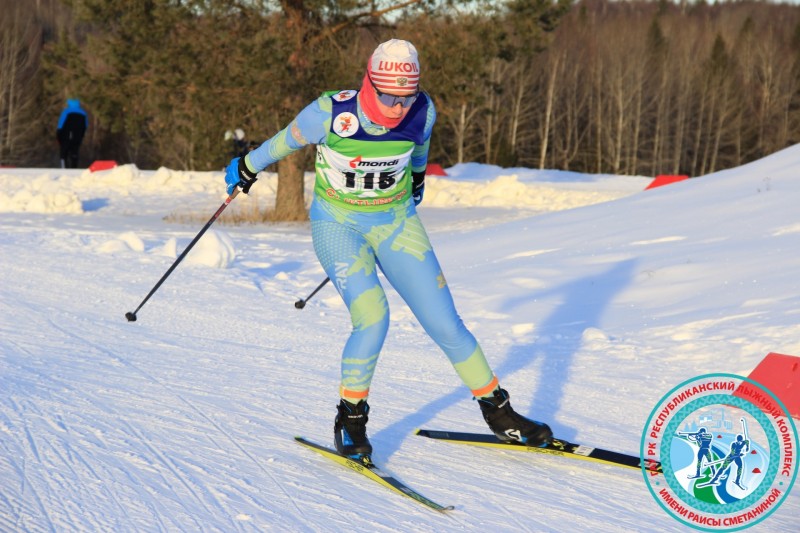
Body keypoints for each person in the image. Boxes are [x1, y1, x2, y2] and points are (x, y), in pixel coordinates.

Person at [224, 39, 552, 461]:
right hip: (338, 224)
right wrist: (247, 167)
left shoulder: (423, 109)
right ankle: (351, 422)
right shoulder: (331, 113)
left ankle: (500, 414)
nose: (398, 107)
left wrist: (416, 180)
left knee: (445, 323)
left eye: (406, 97)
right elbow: (283, 142)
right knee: (374, 318)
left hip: (395, 222)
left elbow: (419, 149)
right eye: (388, 97)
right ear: (369, 84)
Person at [57, 98, 88, 168]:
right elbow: (85, 126)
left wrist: (58, 135)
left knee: (64, 152)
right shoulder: (83, 113)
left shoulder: (66, 112)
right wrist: (82, 135)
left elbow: (60, 124)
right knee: (74, 151)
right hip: (78, 136)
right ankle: (74, 167)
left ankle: (64, 167)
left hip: (66, 136)